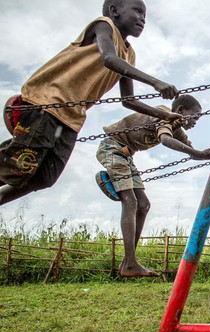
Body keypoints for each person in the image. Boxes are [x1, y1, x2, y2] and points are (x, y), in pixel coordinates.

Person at [0, 0, 181, 206]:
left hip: (71, 119)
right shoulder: (103, 25)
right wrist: (155, 82)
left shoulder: (129, 56)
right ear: (114, 10)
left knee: (45, 177)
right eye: (138, 11)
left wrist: (165, 115)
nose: (143, 19)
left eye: (145, 15)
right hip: (47, 103)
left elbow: (128, 101)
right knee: (18, 164)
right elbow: (109, 59)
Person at [95, 95, 210, 278]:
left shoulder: (175, 127)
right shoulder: (164, 116)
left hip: (126, 156)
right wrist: (196, 153)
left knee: (143, 205)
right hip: (112, 148)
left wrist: (205, 154)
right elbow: (166, 140)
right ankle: (131, 262)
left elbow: (189, 148)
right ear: (181, 110)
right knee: (130, 201)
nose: (196, 121)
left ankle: (128, 261)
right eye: (195, 116)